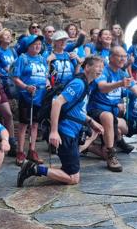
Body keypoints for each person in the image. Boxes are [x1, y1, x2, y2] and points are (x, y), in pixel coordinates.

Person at [17, 56, 105, 187]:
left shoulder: (87, 85)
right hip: (66, 130)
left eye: (102, 68)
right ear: (87, 67)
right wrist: (54, 131)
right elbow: (57, 102)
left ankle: (44, 168)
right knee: (73, 178)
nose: (100, 70)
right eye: (97, 67)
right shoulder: (78, 84)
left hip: (73, 130)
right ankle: (32, 168)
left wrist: (91, 122)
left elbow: (78, 109)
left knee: (80, 148)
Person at [88, 46, 137, 172]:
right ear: (111, 57)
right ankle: (111, 154)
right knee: (108, 117)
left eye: (125, 56)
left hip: (112, 114)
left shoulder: (122, 73)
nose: (123, 59)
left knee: (118, 127)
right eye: (120, 56)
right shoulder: (104, 71)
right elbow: (102, 87)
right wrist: (120, 83)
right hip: (97, 110)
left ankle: (100, 145)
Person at [12, 35, 49, 166]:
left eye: (39, 44)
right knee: (23, 124)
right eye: (35, 44)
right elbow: (15, 78)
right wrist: (26, 87)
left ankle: (32, 150)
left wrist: (48, 85)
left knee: (35, 125)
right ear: (28, 45)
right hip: (26, 96)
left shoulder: (43, 59)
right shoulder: (22, 58)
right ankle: (20, 151)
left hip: (40, 96)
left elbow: (46, 77)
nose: (38, 46)